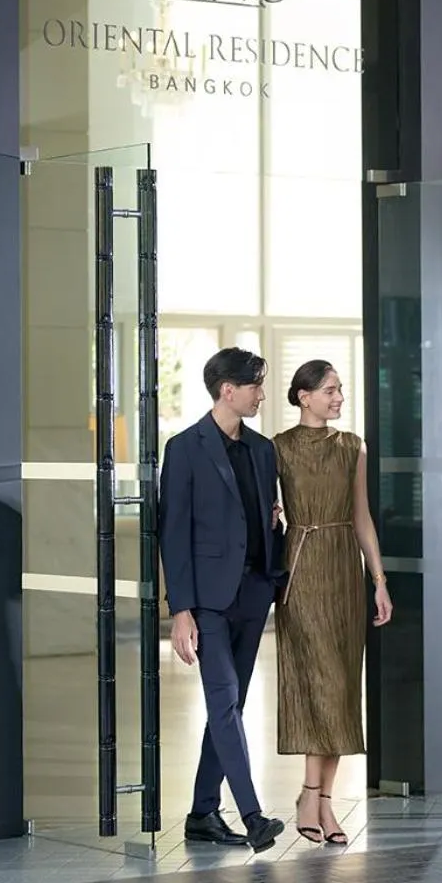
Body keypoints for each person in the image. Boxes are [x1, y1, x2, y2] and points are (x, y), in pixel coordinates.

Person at [158, 347, 287, 853]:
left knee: (227, 705)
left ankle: (202, 814)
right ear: (227, 390)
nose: (261, 394)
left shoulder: (261, 450)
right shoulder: (185, 448)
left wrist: (274, 557)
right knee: (225, 701)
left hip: (254, 594)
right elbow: (173, 534)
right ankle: (253, 816)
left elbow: (264, 516)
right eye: (254, 385)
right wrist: (181, 610)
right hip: (208, 601)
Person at [274, 361, 391, 848]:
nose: (339, 396)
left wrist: (379, 582)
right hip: (300, 571)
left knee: (342, 686)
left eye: (340, 388)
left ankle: (321, 801)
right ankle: (310, 794)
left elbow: (361, 517)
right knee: (316, 682)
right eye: (329, 389)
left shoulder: (352, 447)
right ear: (304, 397)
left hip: (345, 572)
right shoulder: (277, 449)